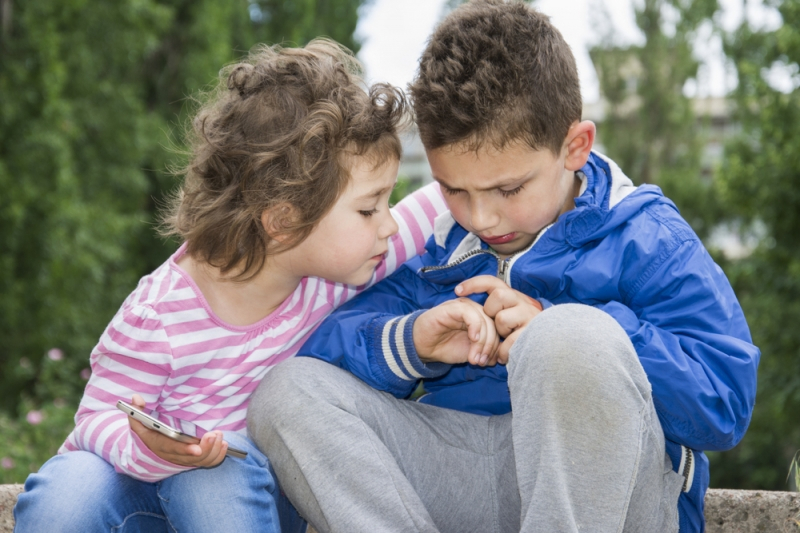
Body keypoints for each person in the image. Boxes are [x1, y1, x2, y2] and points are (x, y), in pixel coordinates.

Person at [245, 2, 760, 532]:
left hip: (608, 494)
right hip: (465, 467)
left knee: (570, 336)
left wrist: (557, 322)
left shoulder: (645, 235)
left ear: (575, 147)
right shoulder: (442, 244)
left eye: (508, 189)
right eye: (454, 189)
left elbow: (723, 404)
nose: (482, 216)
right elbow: (327, 348)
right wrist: (413, 342)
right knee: (288, 391)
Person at [13, 39, 446, 533]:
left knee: (214, 477)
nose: (388, 225)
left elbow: (446, 197)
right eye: (370, 208)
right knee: (66, 494)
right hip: (137, 496)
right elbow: (94, 420)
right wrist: (149, 449)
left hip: (241, 503)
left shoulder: (333, 271)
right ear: (283, 220)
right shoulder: (158, 315)